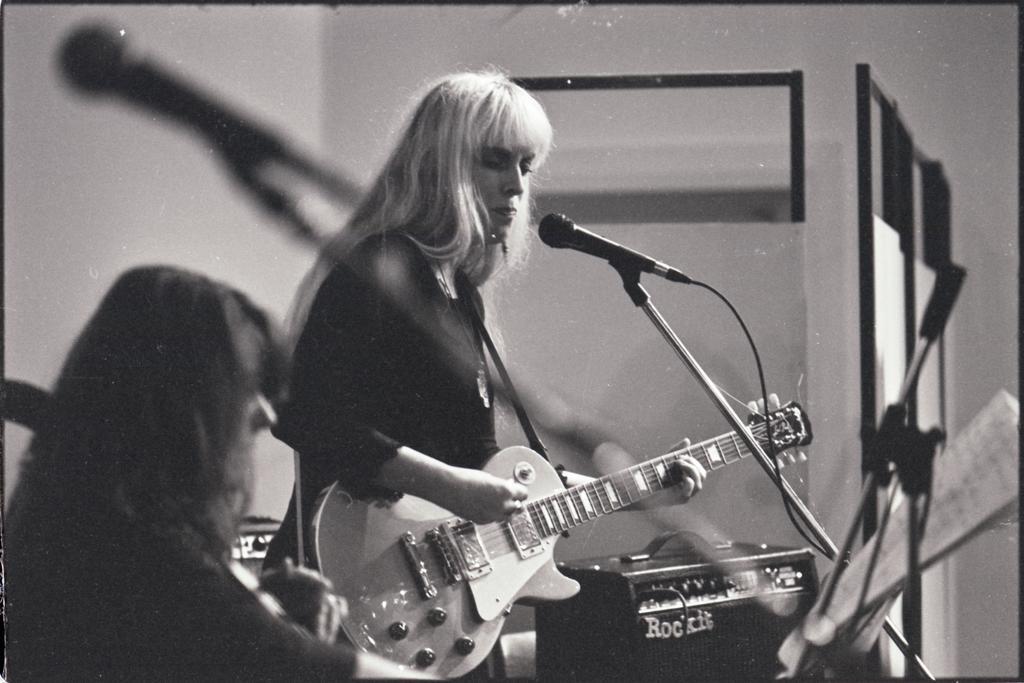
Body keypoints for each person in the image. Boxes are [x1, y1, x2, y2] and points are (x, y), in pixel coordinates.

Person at [264, 69, 707, 573]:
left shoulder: (462, 296)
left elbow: (485, 469)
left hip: (412, 592)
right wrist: (448, 486)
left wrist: (640, 492)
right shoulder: (382, 265)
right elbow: (300, 411)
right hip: (335, 573)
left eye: (526, 166)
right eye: (495, 161)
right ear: (439, 164)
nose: (516, 185)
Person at [4, 265, 426, 680]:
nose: (266, 413)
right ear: (176, 400)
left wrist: (264, 604)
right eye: (244, 384)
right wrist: (256, 624)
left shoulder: (78, 514)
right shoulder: (149, 563)